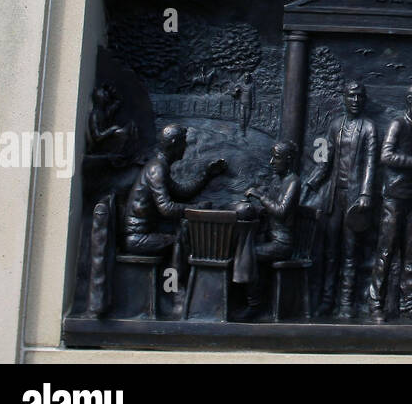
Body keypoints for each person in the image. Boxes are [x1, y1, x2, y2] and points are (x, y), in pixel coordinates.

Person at [304, 79, 378, 319]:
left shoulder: (369, 128)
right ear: (344, 98)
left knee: (350, 250)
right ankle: (327, 300)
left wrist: (366, 193)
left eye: (359, 96)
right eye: (351, 96)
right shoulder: (335, 126)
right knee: (330, 249)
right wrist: (311, 183)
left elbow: (370, 164)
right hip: (334, 196)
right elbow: (324, 158)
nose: (355, 100)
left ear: (364, 100)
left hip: (356, 199)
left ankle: (346, 303)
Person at [367, 84, 412, 322]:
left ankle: (409, 306)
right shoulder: (398, 125)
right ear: (409, 101)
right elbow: (385, 156)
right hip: (393, 199)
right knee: (385, 252)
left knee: (410, 254)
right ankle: (375, 304)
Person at [123, 124, 226, 257]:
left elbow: (181, 192)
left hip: (143, 234)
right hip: (138, 238)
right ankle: (174, 277)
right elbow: (166, 208)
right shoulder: (157, 169)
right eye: (183, 142)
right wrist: (195, 208)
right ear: (174, 143)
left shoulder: (160, 166)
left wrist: (206, 176)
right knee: (181, 240)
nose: (185, 147)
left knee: (182, 232)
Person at [240, 140, 300, 320]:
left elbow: (281, 211)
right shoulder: (277, 180)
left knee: (250, 254)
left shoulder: (293, 182)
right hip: (270, 237)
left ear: (288, 160)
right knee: (242, 247)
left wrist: (260, 196)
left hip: (283, 243)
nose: (271, 162)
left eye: (276, 158)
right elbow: (270, 209)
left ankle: (254, 305)